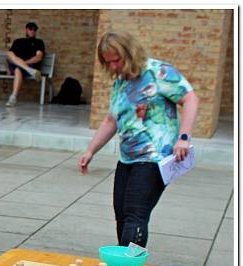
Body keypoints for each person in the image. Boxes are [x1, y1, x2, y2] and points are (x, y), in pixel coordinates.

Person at [78, 31, 198, 248]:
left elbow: (190, 98)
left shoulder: (158, 72)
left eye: (117, 60)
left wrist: (184, 137)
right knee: (122, 216)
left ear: (129, 52)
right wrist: (90, 151)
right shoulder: (120, 83)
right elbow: (110, 121)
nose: (113, 67)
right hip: (127, 159)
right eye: (109, 63)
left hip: (154, 158)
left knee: (135, 214)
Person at [4, 22, 45, 107]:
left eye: (34, 29)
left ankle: (13, 97)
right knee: (9, 53)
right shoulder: (18, 41)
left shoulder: (38, 42)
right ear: (26, 30)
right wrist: (7, 69)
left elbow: (38, 57)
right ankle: (30, 71)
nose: (33, 31)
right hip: (20, 66)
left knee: (18, 69)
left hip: (28, 65)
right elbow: (9, 57)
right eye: (31, 29)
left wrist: (23, 64)